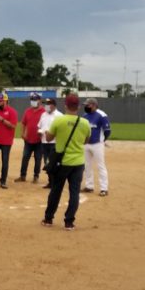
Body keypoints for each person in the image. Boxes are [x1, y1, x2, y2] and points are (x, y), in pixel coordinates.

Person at [41, 94, 91, 230]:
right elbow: (86, 141)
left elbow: (49, 138)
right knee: (74, 193)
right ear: (78, 107)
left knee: (56, 191)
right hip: (78, 162)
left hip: (62, 162)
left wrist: (47, 132)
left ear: (65, 105)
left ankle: (48, 218)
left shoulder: (59, 120)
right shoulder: (85, 122)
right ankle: (69, 222)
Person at [82, 98, 112, 197]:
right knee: (87, 166)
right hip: (86, 144)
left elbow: (107, 130)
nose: (86, 107)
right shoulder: (85, 116)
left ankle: (104, 188)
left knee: (100, 166)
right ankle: (89, 186)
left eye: (88, 105)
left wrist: (102, 140)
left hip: (97, 144)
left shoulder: (102, 115)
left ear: (94, 105)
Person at [15, 92, 45, 184]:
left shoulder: (44, 112)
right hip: (28, 139)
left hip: (39, 140)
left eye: (35, 100)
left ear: (40, 101)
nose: (33, 102)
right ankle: (22, 175)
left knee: (38, 158)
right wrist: (22, 133)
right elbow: (23, 123)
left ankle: (36, 176)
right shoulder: (28, 111)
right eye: (32, 100)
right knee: (25, 157)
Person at [37, 98, 64, 189]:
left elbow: (62, 130)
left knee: (54, 163)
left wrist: (51, 133)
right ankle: (50, 182)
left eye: (48, 104)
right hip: (44, 142)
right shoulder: (43, 115)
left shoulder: (59, 115)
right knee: (47, 163)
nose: (46, 106)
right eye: (45, 104)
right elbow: (40, 126)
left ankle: (56, 182)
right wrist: (40, 131)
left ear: (53, 105)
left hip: (54, 143)